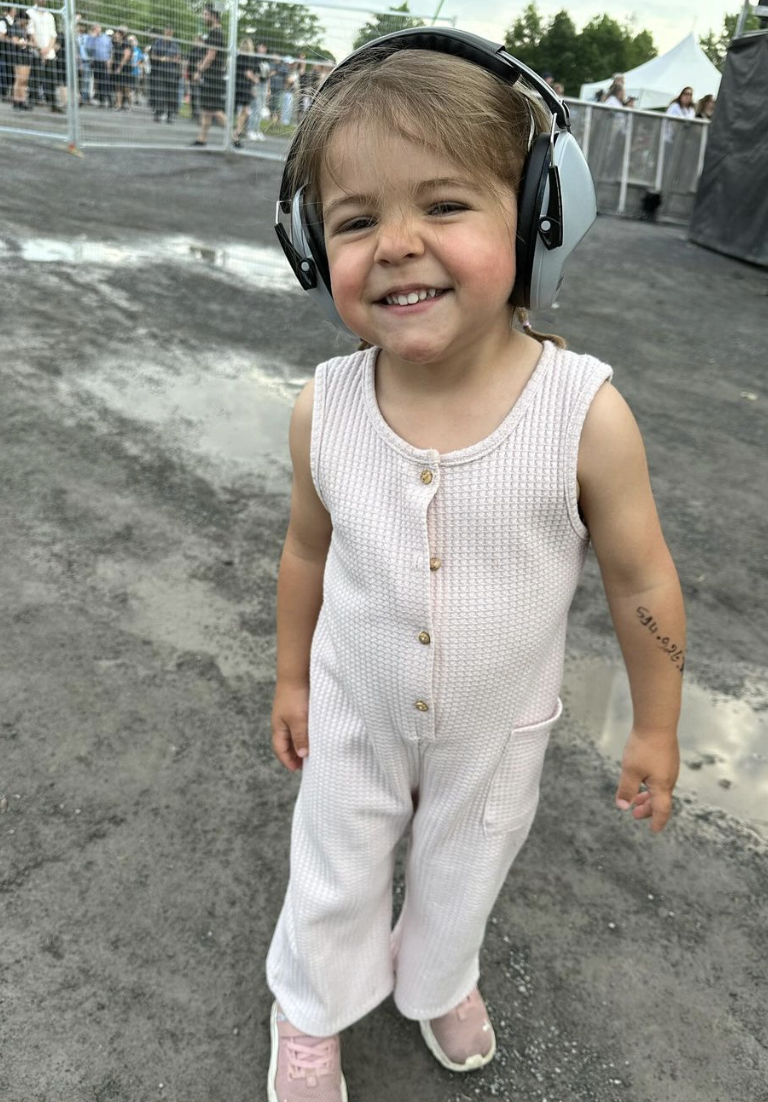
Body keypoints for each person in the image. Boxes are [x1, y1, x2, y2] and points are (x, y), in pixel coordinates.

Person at [266, 30, 685, 1102]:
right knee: (333, 871)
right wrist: (291, 677)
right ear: (315, 249)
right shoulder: (328, 406)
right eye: (356, 221)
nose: (397, 243)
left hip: (497, 732)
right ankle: (309, 1008)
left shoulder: (583, 415)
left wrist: (655, 723)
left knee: (464, 874)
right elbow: (307, 549)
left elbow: (642, 582)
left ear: (542, 216)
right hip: (357, 710)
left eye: (445, 205)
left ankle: (437, 972)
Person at [191, 3, 226, 147]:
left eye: (205, 14)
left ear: (214, 16)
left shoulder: (215, 33)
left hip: (214, 78)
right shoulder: (214, 32)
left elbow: (211, 55)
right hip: (211, 77)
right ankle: (202, 139)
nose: (203, 17)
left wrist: (199, 70)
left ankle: (234, 137)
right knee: (207, 109)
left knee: (216, 110)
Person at [26, 0, 60, 111]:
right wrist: (40, 49)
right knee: (35, 77)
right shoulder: (30, 13)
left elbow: (53, 34)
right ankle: (32, 101)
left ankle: (53, 103)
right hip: (36, 51)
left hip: (49, 52)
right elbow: (31, 32)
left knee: (51, 79)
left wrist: (48, 49)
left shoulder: (50, 16)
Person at [150, 26, 181, 122]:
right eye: (167, 31)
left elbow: (178, 58)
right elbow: (153, 56)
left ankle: (170, 115)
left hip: (171, 72)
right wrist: (161, 59)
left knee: (171, 94)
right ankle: (158, 114)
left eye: (170, 32)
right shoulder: (158, 42)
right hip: (160, 71)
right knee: (160, 92)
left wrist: (171, 59)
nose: (168, 33)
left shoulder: (175, 45)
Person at [232, 37, 257, 147]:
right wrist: (256, 79)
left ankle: (237, 131)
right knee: (245, 111)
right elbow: (248, 73)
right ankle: (236, 133)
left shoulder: (238, 57)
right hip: (244, 87)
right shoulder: (247, 58)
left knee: (242, 111)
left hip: (238, 86)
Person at [245, 41, 270, 140]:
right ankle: (250, 130)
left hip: (264, 86)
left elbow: (268, 77)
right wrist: (255, 83)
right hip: (256, 85)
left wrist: (268, 89)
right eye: (262, 46)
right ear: (258, 47)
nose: (263, 49)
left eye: (265, 47)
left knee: (261, 109)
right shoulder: (254, 59)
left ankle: (257, 129)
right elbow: (250, 73)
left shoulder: (265, 60)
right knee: (255, 108)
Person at [86, 23, 112, 107]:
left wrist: (109, 60)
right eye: (94, 28)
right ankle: (101, 100)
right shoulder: (91, 38)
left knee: (106, 81)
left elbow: (111, 50)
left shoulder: (106, 38)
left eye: (97, 28)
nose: (96, 30)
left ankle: (109, 100)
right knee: (98, 82)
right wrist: (92, 38)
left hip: (105, 62)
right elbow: (88, 50)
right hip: (96, 62)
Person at [111, 26, 131, 110]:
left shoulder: (126, 43)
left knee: (125, 87)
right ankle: (118, 105)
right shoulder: (115, 43)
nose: (116, 34)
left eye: (117, 33)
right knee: (117, 86)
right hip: (116, 66)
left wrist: (120, 67)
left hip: (124, 68)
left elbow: (126, 56)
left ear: (121, 34)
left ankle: (129, 104)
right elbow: (112, 55)